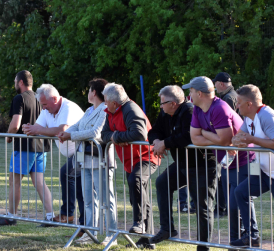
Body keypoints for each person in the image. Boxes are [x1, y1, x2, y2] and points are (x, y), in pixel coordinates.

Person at [184, 76, 255, 246]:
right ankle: (235, 243)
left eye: (191, 91)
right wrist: (214, 136)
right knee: (231, 207)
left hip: (245, 159)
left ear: (199, 93)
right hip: (227, 161)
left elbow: (224, 140)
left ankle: (251, 236)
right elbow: (195, 138)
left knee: (239, 202)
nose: (189, 95)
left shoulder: (219, 108)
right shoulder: (198, 108)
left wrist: (205, 133)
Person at [148, 85, 212, 249]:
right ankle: (167, 228)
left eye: (163, 103)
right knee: (162, 183)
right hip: (183, 163)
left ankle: (203, 247)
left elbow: (188, 137)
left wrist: (165, 143)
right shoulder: (165, 113)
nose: (160, 106)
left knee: (202, 206)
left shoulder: (189, 112)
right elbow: (154, 131)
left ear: (173, 103)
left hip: (201, 165)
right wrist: (157, 142)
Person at [57, 78, 117, 247]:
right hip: (86, 160)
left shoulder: (105, 110)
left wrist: (71, 136)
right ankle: (90, 233)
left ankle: (111, 234)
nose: (88, 92)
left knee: (107, 199)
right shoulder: (90, 110)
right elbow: (77, 126)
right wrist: (65, 133)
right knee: (89, 200)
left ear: (95, 92)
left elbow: (96, 132)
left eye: (90, 89)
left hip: (102, 160)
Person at [101, 83, 159, 249]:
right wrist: (118, 137)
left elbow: (140, 133)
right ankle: (146, 240)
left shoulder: (131, 109)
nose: (104, 103)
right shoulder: (110, 112)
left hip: (146, 156)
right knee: (138, 197)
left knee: (136, 179)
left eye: (106, 100)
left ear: (114, 102)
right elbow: (104, 135)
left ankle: (139, 223)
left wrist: (117, 137)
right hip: (130, 160)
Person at [0, 71, 53, 226]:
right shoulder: (40, 98)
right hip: (41, 146)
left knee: (15, 181)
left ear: (20, 82)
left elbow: (15, 124)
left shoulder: (20, 98)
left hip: (25, 147)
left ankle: (11, 216)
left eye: (14, 81)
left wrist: (9, 135)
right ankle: (51, 216)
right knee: (39, 182)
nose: (14, 83)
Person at [22, 84, 84, 228]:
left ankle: (73, 217)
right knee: (72, 179)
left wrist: (38, 129)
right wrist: (29, 129)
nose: (43, 108)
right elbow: (38, 128)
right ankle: (73, 217)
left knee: (68, 175)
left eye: (44, 104)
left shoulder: (68, 107)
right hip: (73, 154)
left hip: (85, 151)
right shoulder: (47, 110)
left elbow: (62, 129)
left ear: (55, 99)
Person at [230, 84, 271, 248]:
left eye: (239, 102)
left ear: (249, 104)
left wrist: (252, 140)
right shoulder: (249, 118)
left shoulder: (267, 116)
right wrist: (235, 140)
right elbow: (239, 136)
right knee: (241, 192)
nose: (236, 106)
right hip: (264, 170)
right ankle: (252, 236)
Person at [212, 72, 239, 218]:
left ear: (221, 84)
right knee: (225, 177)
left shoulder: (228, 99)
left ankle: (223, 209)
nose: (215, 87)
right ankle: (225, 208)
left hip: (229, 147)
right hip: (232, 145)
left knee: (224, 177)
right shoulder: (232, 95)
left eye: (215, 83)